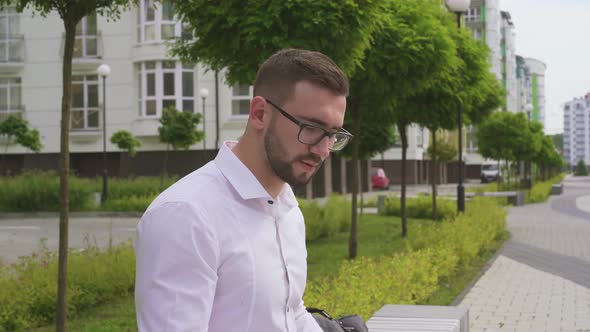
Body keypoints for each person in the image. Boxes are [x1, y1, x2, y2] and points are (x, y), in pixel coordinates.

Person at [134, 48, 353, 332]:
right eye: (311, 127)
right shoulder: (186, 216)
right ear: (260, 113)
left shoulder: (286, 206)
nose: (324, 150)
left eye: (334, 135)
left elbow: (290, 311)